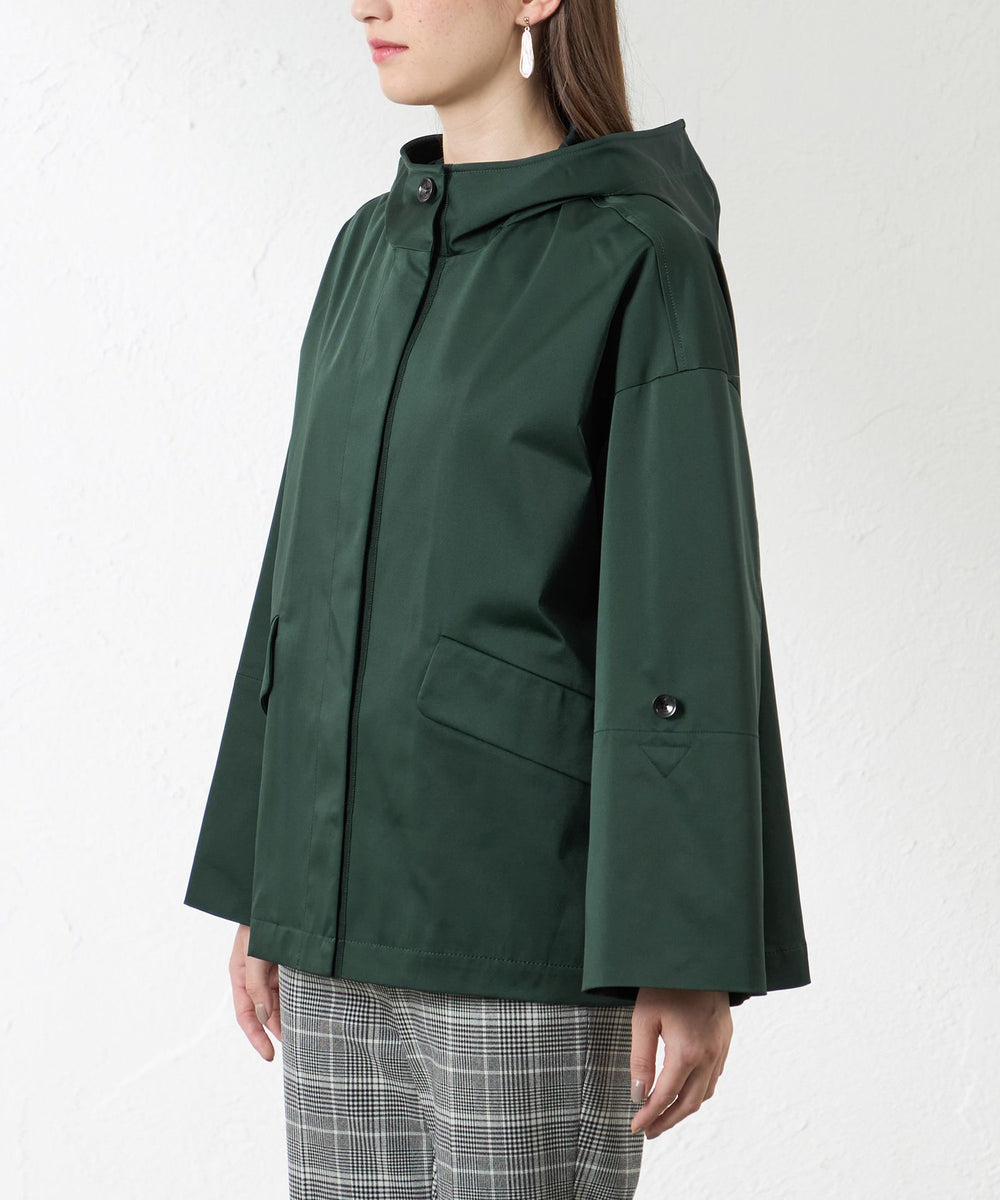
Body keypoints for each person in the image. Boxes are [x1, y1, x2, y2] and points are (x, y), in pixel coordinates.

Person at [183, 1, 811, 1196]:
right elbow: (300, 567)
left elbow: (683, 607)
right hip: (332, 928)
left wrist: (682, 945)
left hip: (524, 924)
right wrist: (270, 879)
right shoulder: (365, 250)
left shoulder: (640, 255)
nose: (367, 4)